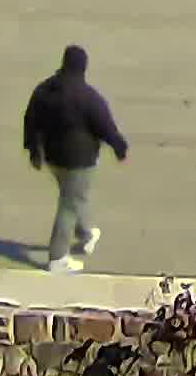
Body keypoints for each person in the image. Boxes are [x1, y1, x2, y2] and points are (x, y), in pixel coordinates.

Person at [21, 44, 128, 273]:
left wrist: (33, 150)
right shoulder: (88, 97)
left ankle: (86, 232)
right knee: (69, 204)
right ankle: (58, 258)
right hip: (79, 161)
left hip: (53, 158)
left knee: (74, 195)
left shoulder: (44, 90)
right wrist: (120, 147)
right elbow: (105, 126)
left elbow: (30, 120)